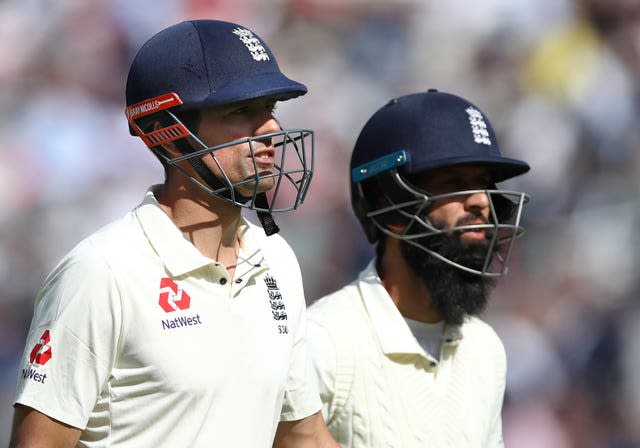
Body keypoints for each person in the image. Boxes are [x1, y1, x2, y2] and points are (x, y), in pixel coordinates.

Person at [10, 19, 338, 448]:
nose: (271, 132)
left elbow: (303, 437)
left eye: (270, 110)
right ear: (170, 134)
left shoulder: (275, 260)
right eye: (240, 112)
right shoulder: (102, 272)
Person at [306, 90, 531, 447]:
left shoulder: (484, 349)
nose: (481, 201)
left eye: (486, 184)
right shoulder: (324, 342)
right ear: (390, 205)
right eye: (455, 182)